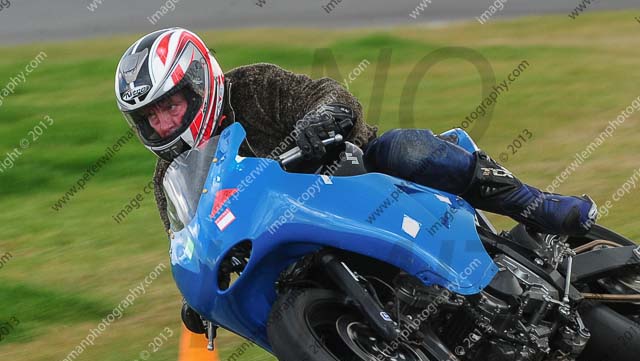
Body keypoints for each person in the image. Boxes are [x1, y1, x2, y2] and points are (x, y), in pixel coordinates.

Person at [114, 28, 596, 330]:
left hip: (354, 178)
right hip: (285, 245)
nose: (162, 124)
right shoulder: (169, 180)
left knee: (401, 148)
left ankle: (537, 206)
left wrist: (323, 119)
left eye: (169, 106)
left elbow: (331, 94)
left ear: (198, 83)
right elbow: (189, 242)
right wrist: (198, 294)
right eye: (149, 117)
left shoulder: (253, 86)